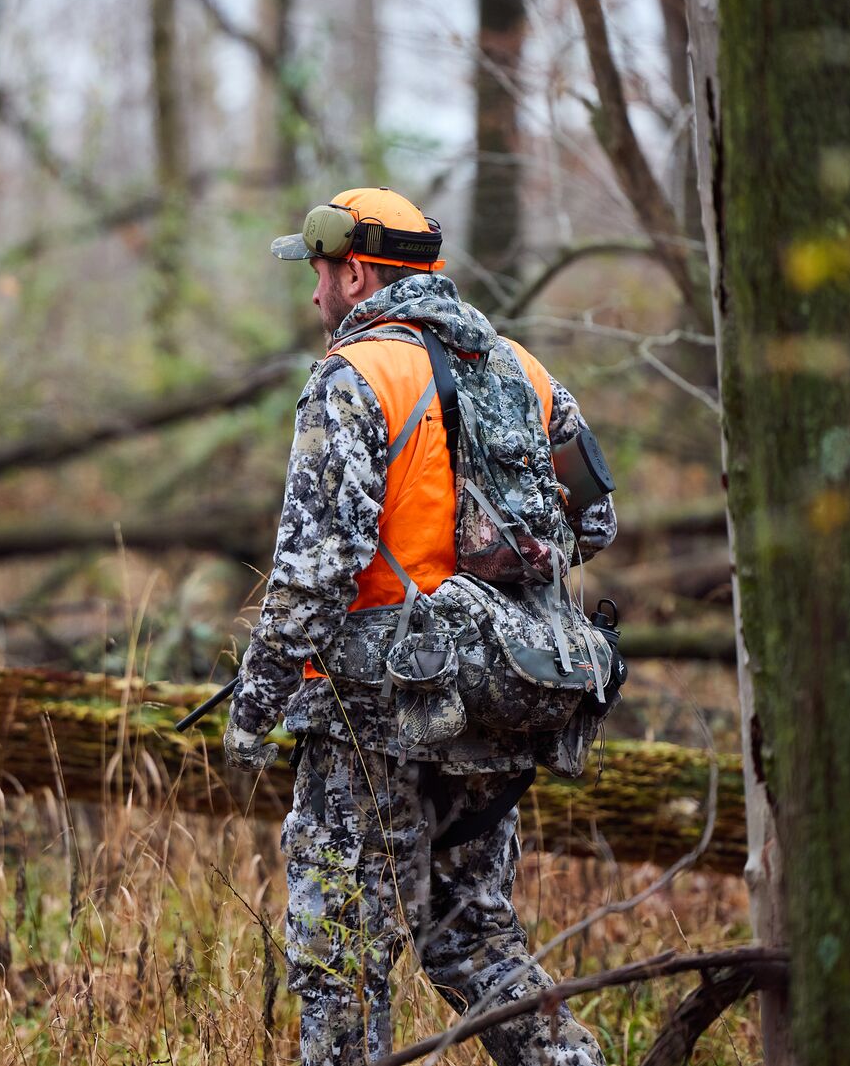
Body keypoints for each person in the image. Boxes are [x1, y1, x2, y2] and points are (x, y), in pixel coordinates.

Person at [224, 187, 616, 1066]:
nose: (316, 295)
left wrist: (252, 709)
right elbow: (596, 523)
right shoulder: (522, 368)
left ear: (355, 272)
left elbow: (313, 576)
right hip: (500, 702)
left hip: (372, 720)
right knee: (472, 936)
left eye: (320, 275)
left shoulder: (354, 376)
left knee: (342, 961)